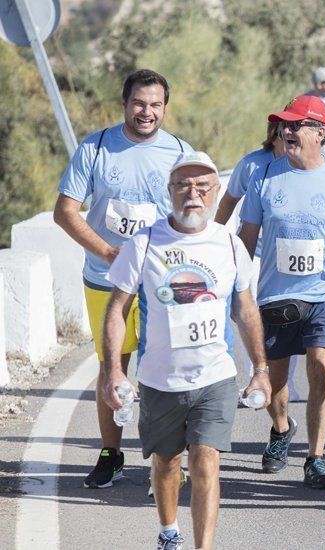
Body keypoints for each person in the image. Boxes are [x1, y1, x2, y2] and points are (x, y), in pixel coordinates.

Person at [102, 151, 271, 550]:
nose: (192, 195)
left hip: (215, 375)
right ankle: (168, 531)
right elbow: (116, 310)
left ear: (216, 193)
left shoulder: (229, 244)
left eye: (202, 187)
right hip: (160, 379)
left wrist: (260, 368)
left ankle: (203, 547)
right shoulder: (144, 242)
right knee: (167, 463)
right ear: (170, 192)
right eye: (183, 186)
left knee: (206, 459)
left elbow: (246, 310)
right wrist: (113, 370)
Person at [53, 69, 193, 489]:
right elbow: (66, 211)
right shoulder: (95, 148)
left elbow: (193, 213)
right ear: (124, 103)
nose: (146, 112)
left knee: (165, 371)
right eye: (138, 103)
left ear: (165, 108)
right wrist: (111, 254)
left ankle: (168, 461)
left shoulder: (181, 153)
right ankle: (111, 454)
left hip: (160, 284)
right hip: (105, 278)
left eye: (155, 105)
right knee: (111, 367)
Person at [239, 95, 325, 488]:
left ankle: (316, 457)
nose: (287, 132)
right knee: (275, 382)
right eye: (284, 126)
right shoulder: (266, 176)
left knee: (321, 368)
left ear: (320, 133)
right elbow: (247, 238)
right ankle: (281, 428)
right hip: (276, 293)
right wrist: (236, 287)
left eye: (296, 125)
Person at [215, 120, 285, 225]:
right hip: (254, 239)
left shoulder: (309, 166)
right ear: (273, 138)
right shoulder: (251, 164)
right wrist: (216, 233)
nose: (291, 140)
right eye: (284, 136)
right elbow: (229, 200)